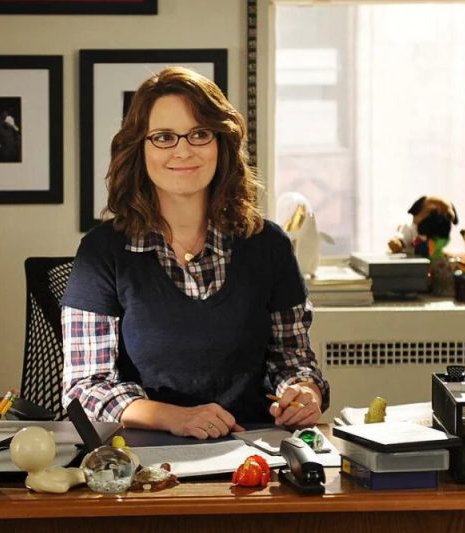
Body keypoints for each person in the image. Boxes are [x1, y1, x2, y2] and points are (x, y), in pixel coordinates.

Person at [61, 66, 329, 440]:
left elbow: (293, 362)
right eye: (164, 137)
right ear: (140, 148)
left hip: (253, 449)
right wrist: (173, 417)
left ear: (221, 143)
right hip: (142, 458)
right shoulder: (102, 252)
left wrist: (303, 392)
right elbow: (85, 389)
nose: (183, 150)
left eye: (200, 134)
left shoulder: (270, 245)